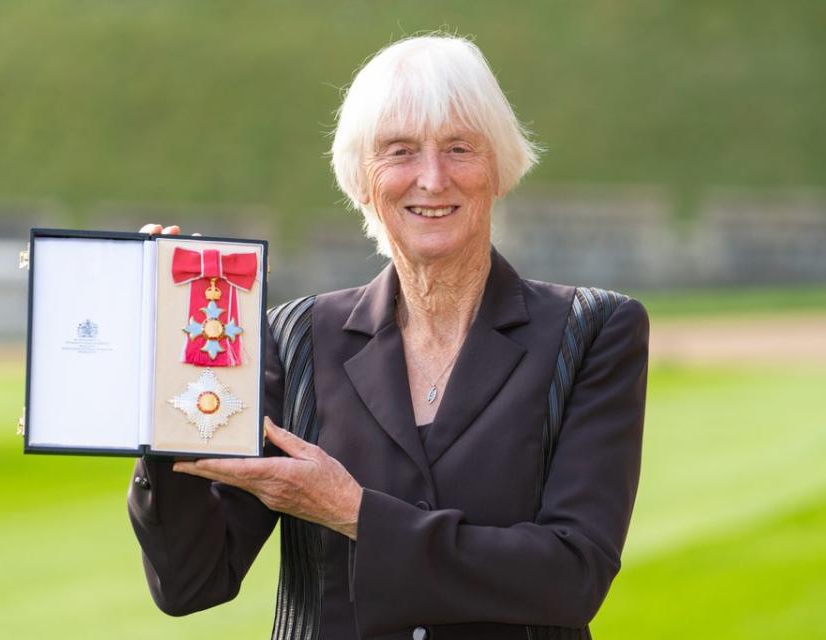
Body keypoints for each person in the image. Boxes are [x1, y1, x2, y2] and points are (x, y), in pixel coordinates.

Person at [129, 35, 648, 640]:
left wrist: (355, 514)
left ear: (499, 168)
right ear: (361, 180)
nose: (432, 178)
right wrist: (167, 391)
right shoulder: (293, 339)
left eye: (459, 147)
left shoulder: (590, 331)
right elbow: (192, 583)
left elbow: (572, 575)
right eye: (400, 151)